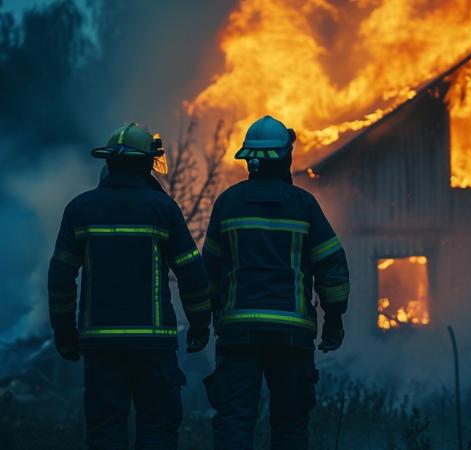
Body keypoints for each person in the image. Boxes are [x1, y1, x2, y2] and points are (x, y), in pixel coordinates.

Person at [47, 123, 212, 450]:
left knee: (105, 429)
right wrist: (199, 324)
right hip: (153, 345)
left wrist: (65, 333)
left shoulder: (80, 208)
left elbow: (61, 277)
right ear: (147, 163)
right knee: (157, 425)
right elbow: (192, 272)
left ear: (110, 162)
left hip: (100, 344)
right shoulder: (163, 208)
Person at [202, 115, 349, 450]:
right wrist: (334, 320)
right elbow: (332, 266)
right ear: (286, 157)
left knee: (236, 421)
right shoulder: (304, 205)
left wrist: (208, 318)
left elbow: (208, 270)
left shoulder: (228, 202)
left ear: (249, 160)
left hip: (238, 333)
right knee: (290, 425)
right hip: (292, 336)